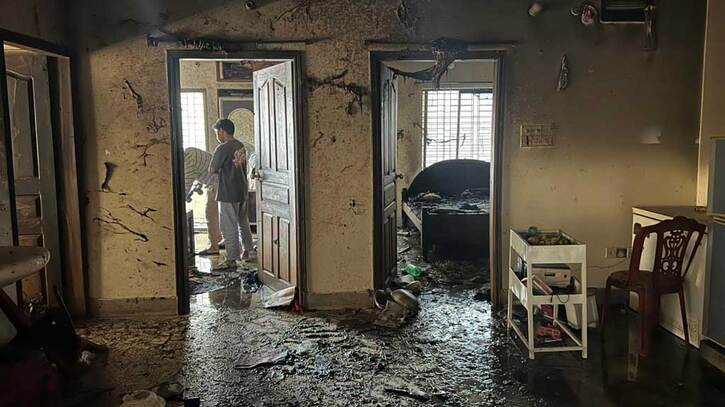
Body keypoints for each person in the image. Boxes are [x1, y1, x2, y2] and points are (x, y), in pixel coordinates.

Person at [209, 119, 255, 270]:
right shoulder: (240, 145)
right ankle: (248, 251)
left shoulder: (222, 148)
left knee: (229, 226)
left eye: (217, 133)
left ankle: (232, 259)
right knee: (243, 222)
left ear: (222, 131)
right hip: (242, 190)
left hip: (228, 192)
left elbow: (212, 169)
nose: (217, 136)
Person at [183, 147, 222, 255]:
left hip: (216, 183)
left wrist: (182, 199)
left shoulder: (188, 160)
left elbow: (186, 184)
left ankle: (214, 247)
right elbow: (202, 169)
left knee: (210, 214)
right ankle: (219, 239)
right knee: (217, 215)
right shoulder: (191, 151)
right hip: (220, 181)